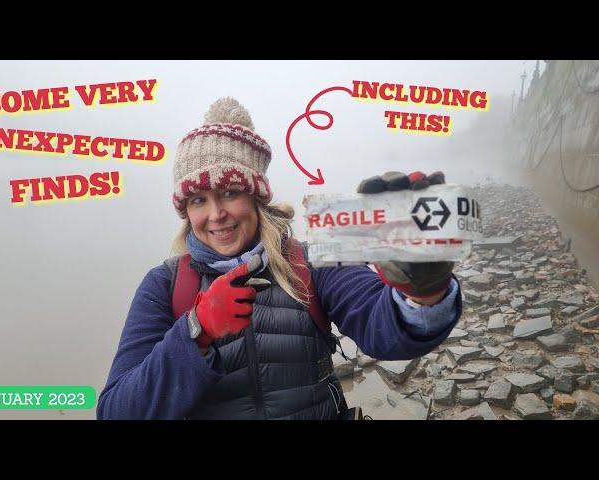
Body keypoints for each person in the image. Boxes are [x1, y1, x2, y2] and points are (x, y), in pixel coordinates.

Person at [97, 97, 462, 420]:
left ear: (257, 196)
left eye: (229, 192)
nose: (216, 213)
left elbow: (388, 333)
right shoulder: (164, 285)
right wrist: (196, 332)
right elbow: (117, 411)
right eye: (198, 200)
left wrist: (423, 289)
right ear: (185, 210)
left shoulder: (310, 263)